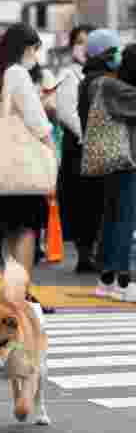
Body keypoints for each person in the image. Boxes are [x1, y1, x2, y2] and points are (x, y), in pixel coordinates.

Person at [0, 23, 54, 278]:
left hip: (2, 170)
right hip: (24, 170)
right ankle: (21, 294)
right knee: (26, 229)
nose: (35, 55)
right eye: (34, 49)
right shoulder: (18, 74)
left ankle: (11, 293)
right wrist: (50, 146)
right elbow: (35, 118)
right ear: (25, 48)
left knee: (10, 230)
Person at [78, 32, 136, 301]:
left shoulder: (110, 86)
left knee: (112, 219)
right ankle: (124, 281)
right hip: (127, 162)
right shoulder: (118, 90)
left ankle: (106, 280)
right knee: (124, 220)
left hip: (114, 162)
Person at [56, 24, 101, 274]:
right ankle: (85, 253)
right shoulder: (68, 74)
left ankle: (94, 250)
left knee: (97, 200)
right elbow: (65, 111)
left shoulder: (101, 73)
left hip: (98, 145)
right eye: (79, 41)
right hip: (78, 146)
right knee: (80, 199)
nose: (83, 46)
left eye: (88, 41)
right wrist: (86, 135)